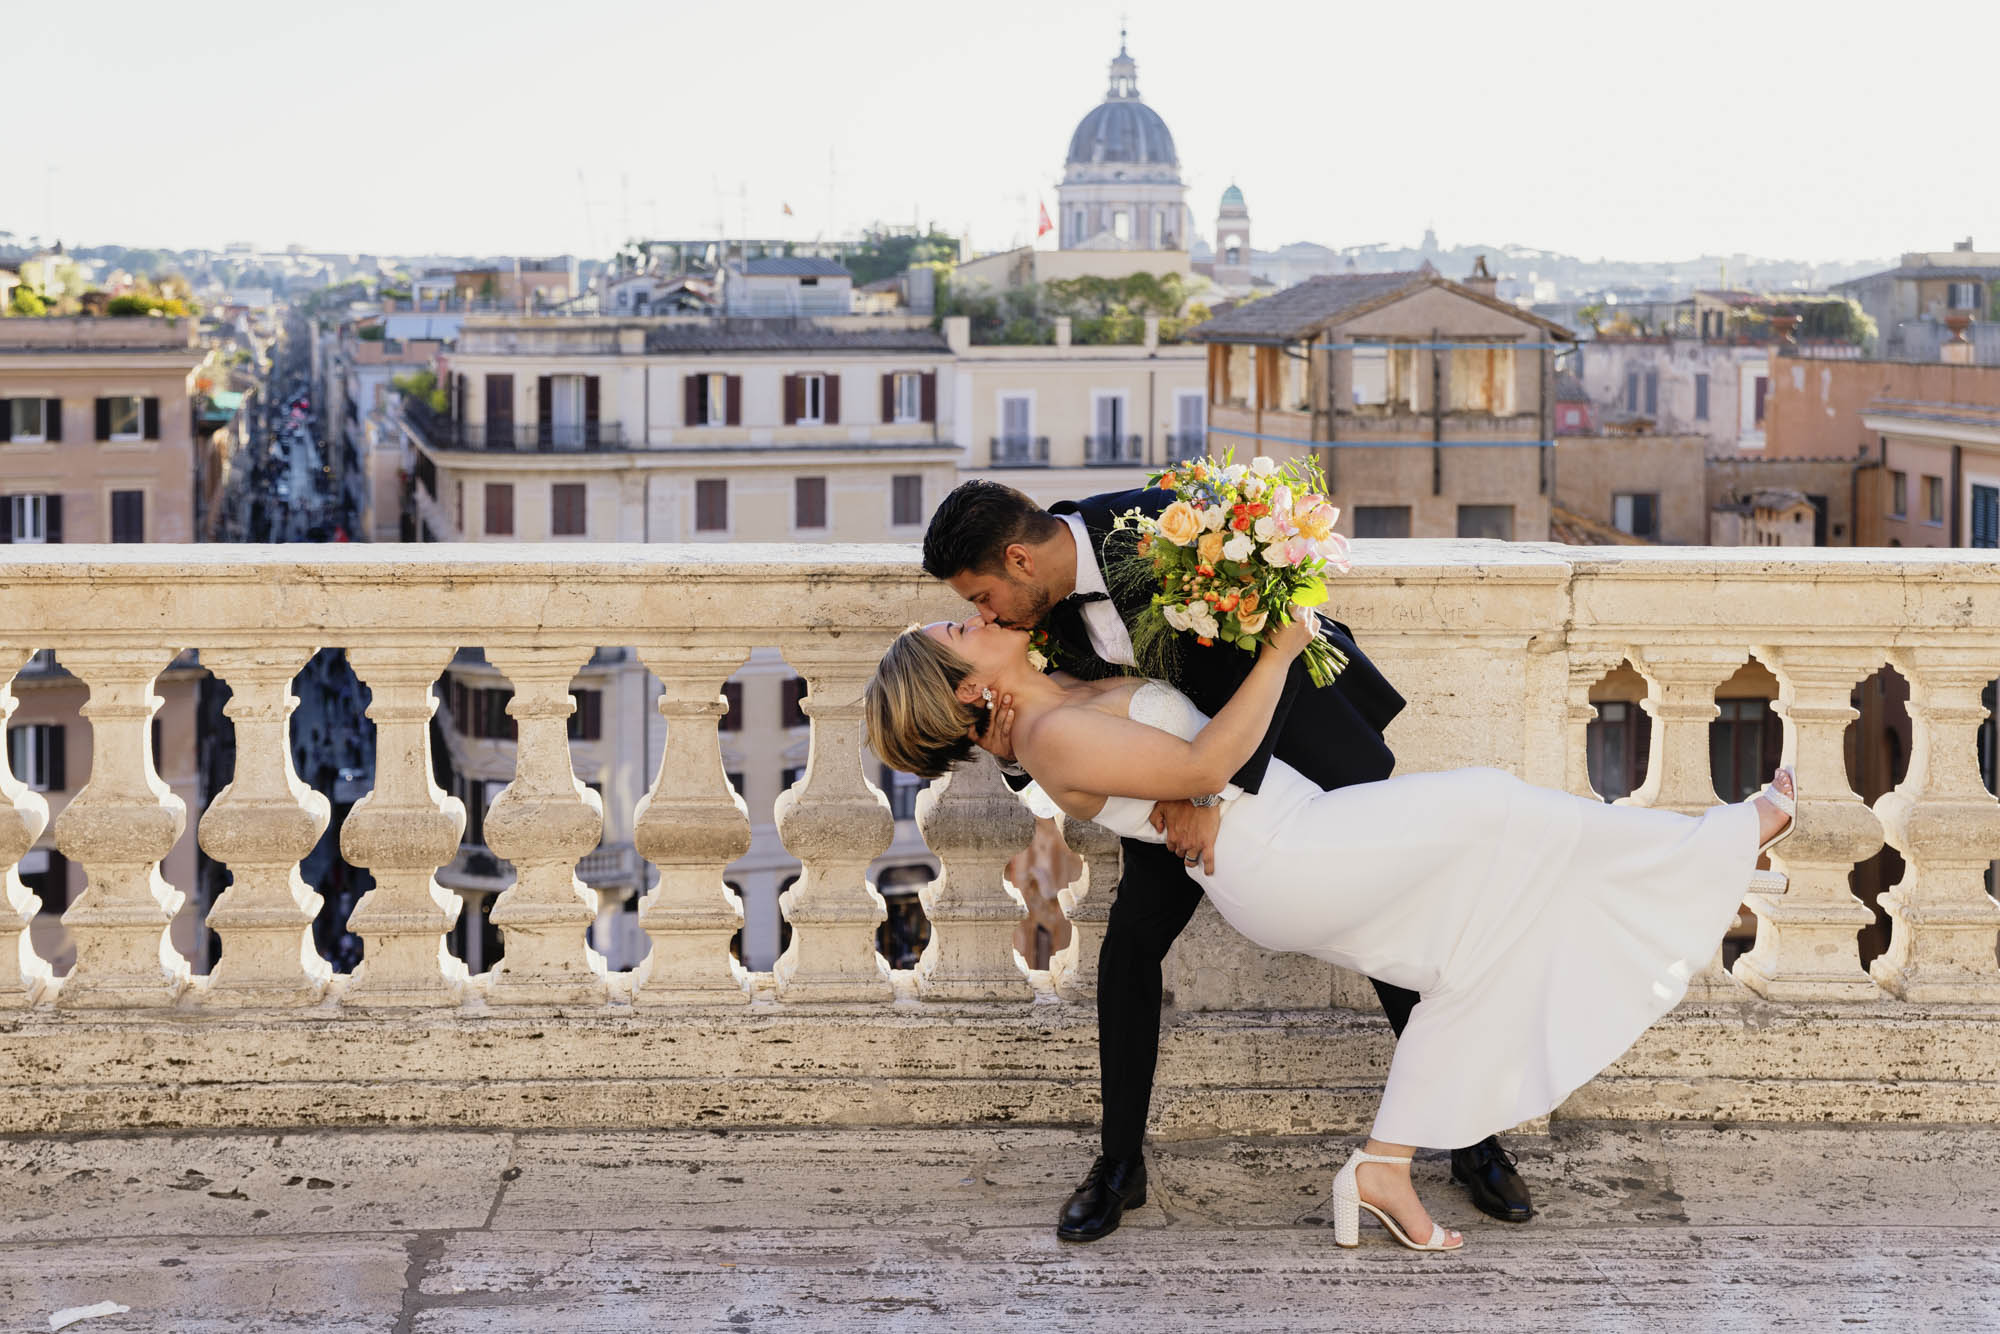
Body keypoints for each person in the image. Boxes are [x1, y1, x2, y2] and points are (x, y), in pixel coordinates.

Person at [864, 607, 1795, 1251]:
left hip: (1284, 830)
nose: (972, 615)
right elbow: (1203, 757)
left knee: (1467, 959)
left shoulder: (1062, 688)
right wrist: (1278, 649)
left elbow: (1185, 768)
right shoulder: (1048, 737)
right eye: (957, 630)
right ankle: (1731, 835)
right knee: (1495, 806)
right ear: (964, 694)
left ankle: (1384, 1169)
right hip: (1286, 854)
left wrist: (1196, 783)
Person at [916, 480, 1534, 1242]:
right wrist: (1011, 753)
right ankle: (1120, 1166)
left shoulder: (1168, 525)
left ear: (1018, 558)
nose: (986, 616)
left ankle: (1471, 1140)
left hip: (1281, 752)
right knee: (1131, 946)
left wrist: (1215, 792)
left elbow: (1273, 639)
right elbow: (1049, 719)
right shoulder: (1029, 615)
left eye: (984, 596)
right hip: (1166, 785)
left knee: (1395, 929)